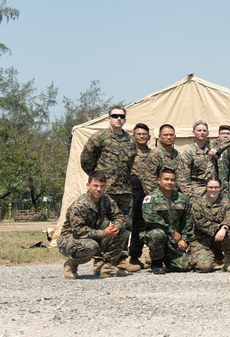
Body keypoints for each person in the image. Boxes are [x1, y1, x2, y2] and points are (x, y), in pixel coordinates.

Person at [80, 105, 136, 266]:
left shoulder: (130, 140)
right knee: (103, 225)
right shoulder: (100, 137)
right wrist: (97, 180)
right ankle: (99, 259)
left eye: (122, 116)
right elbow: (86, 160)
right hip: (105, 191)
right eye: (115, 116)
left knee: (124, 224)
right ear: (108, 118)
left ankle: (120, 258)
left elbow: (130, 163)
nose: (119, 119)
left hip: (124, 190)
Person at [58, 171, 133, 279]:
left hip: (93, 235)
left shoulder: (106, 200)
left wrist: (116, 227)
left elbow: (119, 216)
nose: (99, 189)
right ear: (88, 186)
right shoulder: (79, 205)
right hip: (71, 239)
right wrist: (104, 233)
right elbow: (79, 231)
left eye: (102, 186)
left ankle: (107, 267)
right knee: (91, 246)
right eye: (95, 186)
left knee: (122, 232)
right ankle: (71, 265)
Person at [141, 167, 193, 273]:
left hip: (175, 240)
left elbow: (188, 220)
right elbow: (151, 219)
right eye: (166, 179)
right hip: (156, 236)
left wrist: (184, 239)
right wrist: (172, 232)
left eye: (172, 180)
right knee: (157, 234)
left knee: (183, 266)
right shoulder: (150, 198)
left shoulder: (182, 198)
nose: (169, 182)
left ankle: (167, 257)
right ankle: (156, 261)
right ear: (159, 180)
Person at [189, 179, 230, 273]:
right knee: (204, 268)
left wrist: (224, 228)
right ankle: (194, 256)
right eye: (210, 187)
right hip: (202, 240)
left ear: (220, 188)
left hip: (220, 238)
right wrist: (219, 228)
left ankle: (228, 262)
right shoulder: (197, 203)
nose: (213, 190)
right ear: (206, 187)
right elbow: (200, 223)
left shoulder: (228, 203)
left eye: (216, 187)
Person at [127, 123, 152, 268]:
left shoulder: (153, 154)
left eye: (144, 134)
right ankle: (119, 257)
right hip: (130, 193)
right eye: (138, 134)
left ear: (149, 137)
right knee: (126, 225)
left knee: (142, 225)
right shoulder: (128, 153)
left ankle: (135, 256)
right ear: (134, 136)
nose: (141, 136)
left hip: (148, 194)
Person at [178, 121, 216, 199]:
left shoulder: (213, 147)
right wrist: (191, 197)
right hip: (197, 192)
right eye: (199, 130)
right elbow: (183, 178)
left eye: (204, 131)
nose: (202, 133)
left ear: (208, 133)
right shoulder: (188, 152)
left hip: (213, 190)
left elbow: (229, 140)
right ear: (193, 132)